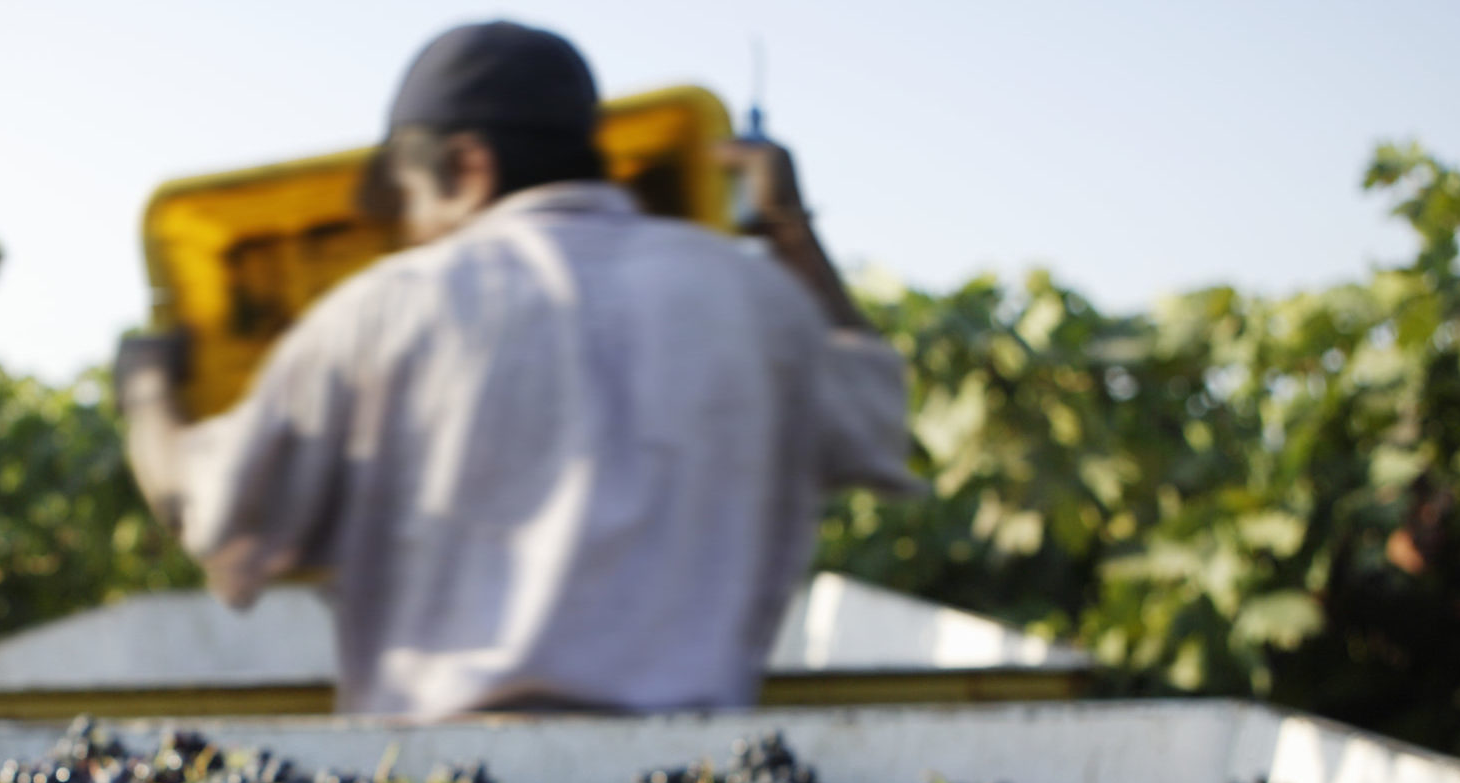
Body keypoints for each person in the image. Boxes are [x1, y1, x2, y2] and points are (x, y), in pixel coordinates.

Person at [115, 21, 920, 719]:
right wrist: (790, 228)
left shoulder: (386, 309)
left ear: (467, 167)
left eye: (409, 200)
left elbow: (207, 506)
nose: (411, 230)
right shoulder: (755, 300)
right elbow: (880, 419)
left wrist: (147, 389)